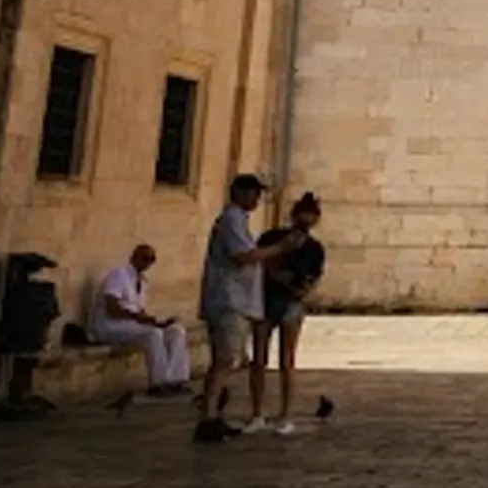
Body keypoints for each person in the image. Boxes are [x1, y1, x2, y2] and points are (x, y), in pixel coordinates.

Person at [196, 173, 281, 442]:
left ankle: (212, 414)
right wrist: (278, 249)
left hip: (231, 300)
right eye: (254, 193)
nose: (257, 199)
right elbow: (242, 255)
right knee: (225, 360)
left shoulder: (237, 220)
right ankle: (208, 417)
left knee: (223, 360)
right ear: (241, 193)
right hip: (229, 300)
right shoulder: (232, 219)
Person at [252, 193, 328, 436]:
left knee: (287, 360)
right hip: (267, 298)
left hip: (291, 303)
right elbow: (261, 261)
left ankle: (285, 414)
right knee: (259, 358)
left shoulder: (314, 248)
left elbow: (314, 277)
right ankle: (257, 413)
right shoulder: (273, 238)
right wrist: (278, 276)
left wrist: (303, 289)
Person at [86, 243, 190, 396]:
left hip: (131, 326)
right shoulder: (118, 275)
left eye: (151, 259)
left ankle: (176, 379)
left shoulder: (142, 282)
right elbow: (111, 307)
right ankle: (158, 383)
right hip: (111, 326)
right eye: (144, 258)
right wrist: (137, 317)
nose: (147, 262)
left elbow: (139, 311)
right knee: (153, 335)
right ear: (133, 257)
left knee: (176, 331)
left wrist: (158, 322)